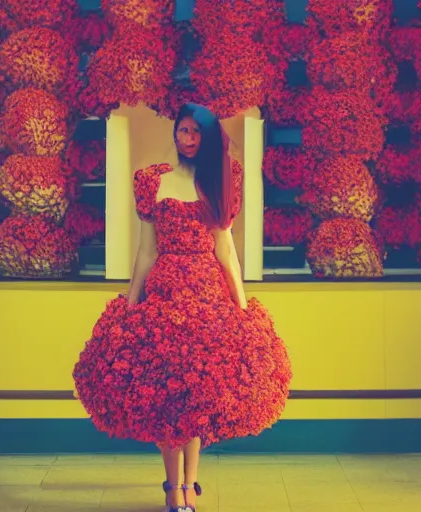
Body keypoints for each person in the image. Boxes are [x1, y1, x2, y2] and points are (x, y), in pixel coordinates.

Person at [73, 103, 292, 512]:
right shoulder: (152, 181)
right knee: (165, 397)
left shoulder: (218, 181)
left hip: (207, 296)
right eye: (183, 131)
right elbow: (146, 251)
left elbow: (225, 249)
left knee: (196, 394)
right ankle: (173, 489)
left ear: (207, 138)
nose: (189, 139)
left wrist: (242, 308)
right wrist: (130, 301)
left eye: (196, 133)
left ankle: (191, 483)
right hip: (165, 298)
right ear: (175, 134)